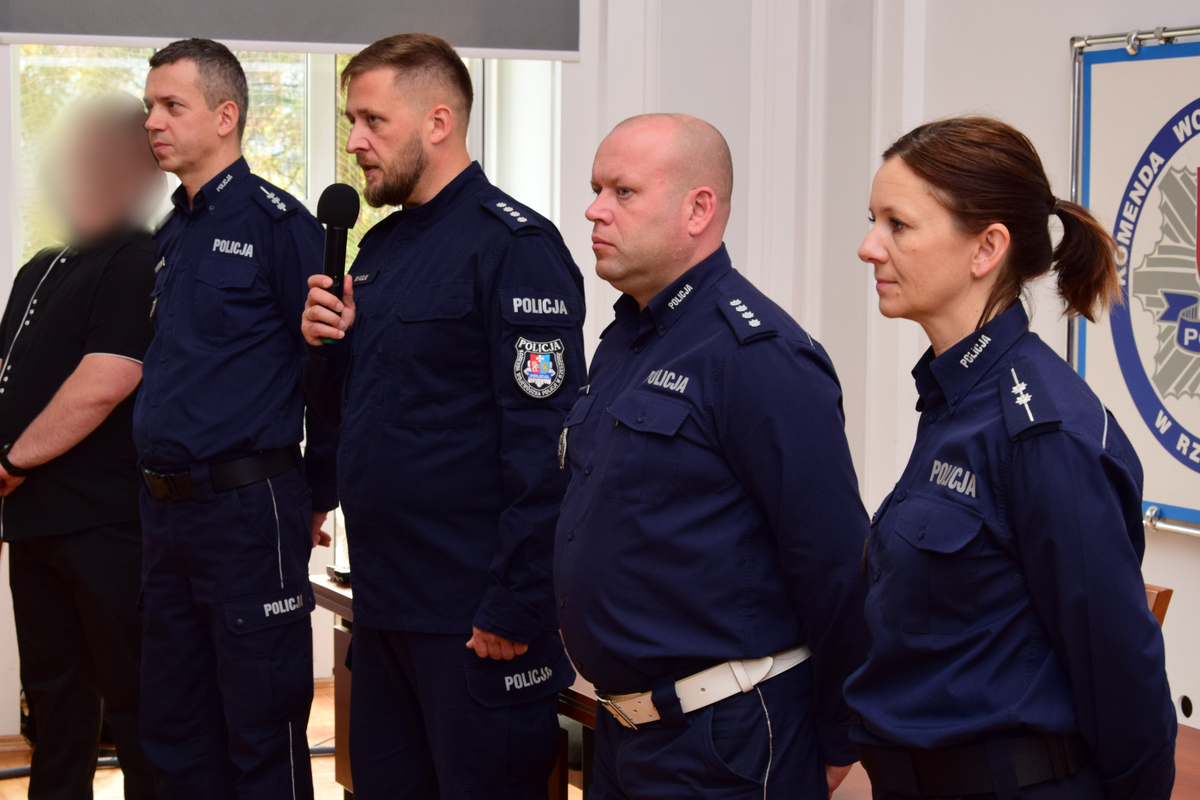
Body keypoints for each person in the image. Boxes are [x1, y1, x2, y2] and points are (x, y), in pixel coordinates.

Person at [847, 116, 1176, 800]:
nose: (869, 247)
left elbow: (1120, 672)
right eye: (873, 221)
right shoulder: (955, 399)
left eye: (898, 225)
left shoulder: (1042, 430)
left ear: (986, 248)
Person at [300, 34, 585, 799]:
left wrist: (515, 604)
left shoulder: (514, 246)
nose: (354, 142)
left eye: (372, 120)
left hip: (475, 622)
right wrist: (324, 347)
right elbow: (356, 414)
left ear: (437, 121)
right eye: (350, 121)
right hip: (385, 607)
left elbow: (548, 446)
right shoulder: (380, 249)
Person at [552, 113, 870, 799]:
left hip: (724, 737)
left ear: (698, 209)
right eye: (596, 189)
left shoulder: (757, 356)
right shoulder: (627, 340)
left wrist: (838, 734)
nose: (595, 210)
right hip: (623, 730)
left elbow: (834, 561)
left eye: (622, 192)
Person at [135, 38, 337, 800]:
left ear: (226, 117)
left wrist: (318, 492)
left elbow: (330, 370)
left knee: (260, 733)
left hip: (248, 510)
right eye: (149, 106)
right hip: (166, 515)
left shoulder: (279, 226)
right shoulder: (171, 235)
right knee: (175, 731)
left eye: (171, 105)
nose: (152, 121)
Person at [0, 95, 162, 800]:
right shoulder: (38, 267)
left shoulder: (140, 260)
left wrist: (12, 461)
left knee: (133, 700)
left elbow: (106, 381)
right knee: (54, 701)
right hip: (31, 522)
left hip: (105, 525)